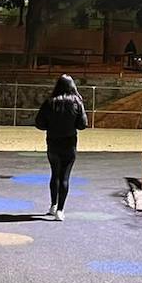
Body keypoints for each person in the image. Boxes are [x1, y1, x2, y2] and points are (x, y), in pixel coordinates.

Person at [34, 74, 88, 221]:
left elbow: (39, 123)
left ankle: (53, 205)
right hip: (69, 142)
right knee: (65, 176)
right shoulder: (77, 102)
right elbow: (83, 124)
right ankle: (60, 210)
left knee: (54, 174)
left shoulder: (50, 102)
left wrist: (50, 126)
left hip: (52, 142)